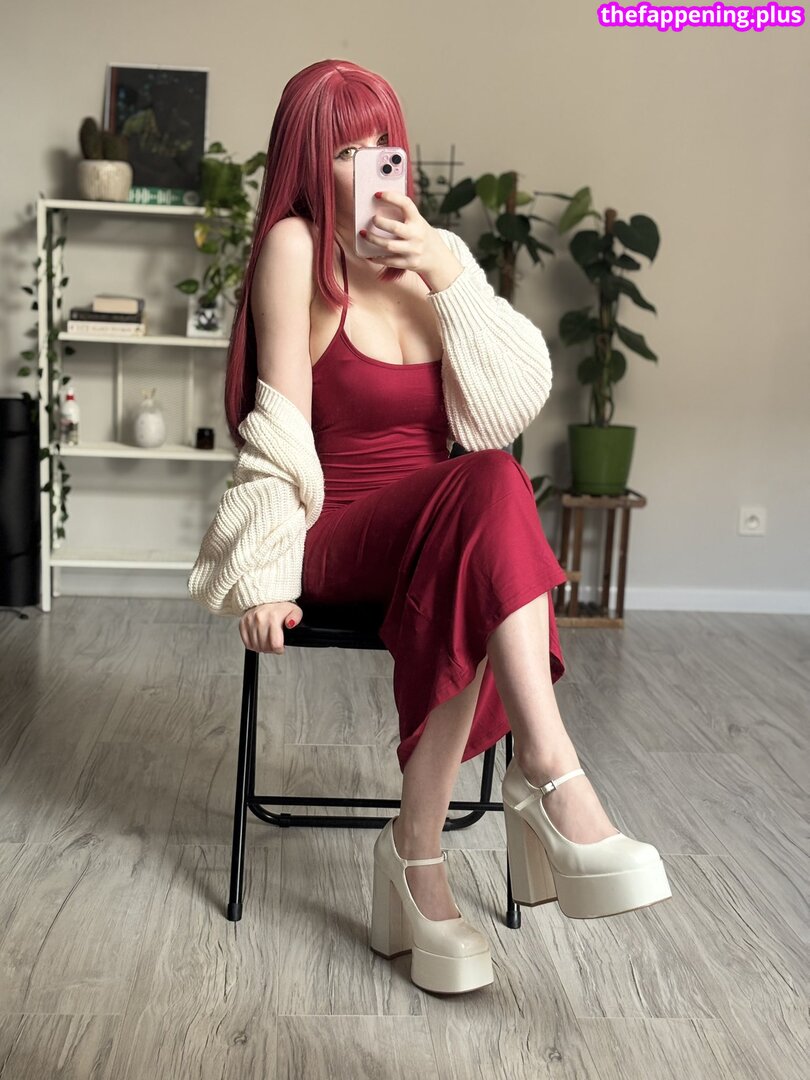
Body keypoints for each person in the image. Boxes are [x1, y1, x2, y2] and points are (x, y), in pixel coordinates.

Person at [187, 58, 671, 996]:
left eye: (382, 144)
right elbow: (277, 428)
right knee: (491, 489)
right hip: (341, 533)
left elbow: (507, 402)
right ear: (307, 159)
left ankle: (417, 857)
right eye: (346, 149)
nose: (371, 164)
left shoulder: (429, 251)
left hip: (447, 535)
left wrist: (447, 271)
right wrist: (266, 575)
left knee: (483, 500)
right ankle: (548, 774)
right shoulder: (295, 248)